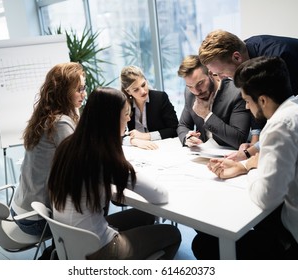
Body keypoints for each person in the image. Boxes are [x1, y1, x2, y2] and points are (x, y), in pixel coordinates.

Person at [203, 56, 298, 259]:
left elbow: (266, 197)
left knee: (205, 243)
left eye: (247, 100)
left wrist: (252, 168)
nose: (247, 107)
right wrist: (245, 164)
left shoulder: (279, 126)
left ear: (263, 100)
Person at [47, 87, 182, 260]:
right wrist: (130, 170)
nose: (129, 118)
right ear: (111, 118)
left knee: (146, 215)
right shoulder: (104, 156)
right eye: (125, 113)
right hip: (99, 251)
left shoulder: (69, 145)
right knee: (172, 233)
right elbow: (159, 195)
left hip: (72, 241)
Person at [11, 62, 86, 237]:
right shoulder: (60, 122)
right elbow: (81, 163)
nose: (84, 94)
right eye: (79, 89)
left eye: (84, 88)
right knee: (93, 207)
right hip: (37, 221)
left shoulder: (45, 117)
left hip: (20, 210)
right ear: (64, 92)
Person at [198, 29, 298, 121]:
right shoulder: (245, 51)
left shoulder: (277, 62)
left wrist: (255, 150)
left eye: (221, 73)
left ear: (236, 57)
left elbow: (286, 117)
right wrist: (255, 140)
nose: (221, 78)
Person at [176, 55, 250, 149]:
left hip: (229, 155)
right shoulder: (189, 93)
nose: (196, 91)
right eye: (190, 86)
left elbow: (239, 139)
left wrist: (206, 115)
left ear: (210, 73)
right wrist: (188, 138)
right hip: (202, 153)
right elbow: (183, 125)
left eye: (200, 83)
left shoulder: (236, 93)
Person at [120, 65, 178, 150]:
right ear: (128, 91)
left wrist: (146, 136)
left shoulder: (160, 98)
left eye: (143, 85)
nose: (143, 91)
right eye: (136, 90)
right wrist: (134, 141)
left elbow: (174, 129)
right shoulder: (125, 105)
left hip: (161, 147)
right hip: (138, 149)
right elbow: (118, 135)